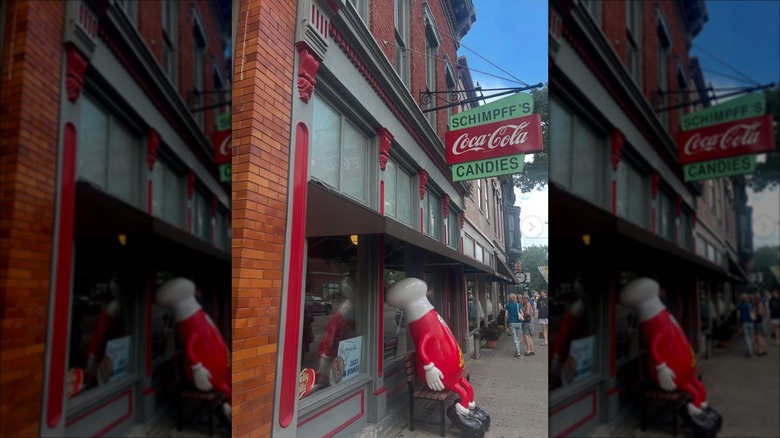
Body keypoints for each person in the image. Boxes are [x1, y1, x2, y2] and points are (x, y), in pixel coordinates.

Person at [387, 277, 490, 437]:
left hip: (449, 370)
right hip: (440, 373)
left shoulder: (430, 317)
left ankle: (468, 407)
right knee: (462, 390)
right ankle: (463, 410)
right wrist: (429, 368)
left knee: (467, 388)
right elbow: (422, 346)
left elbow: (439, 336)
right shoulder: (426, 319)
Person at [619, 278, 721, 436]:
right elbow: (654, 347)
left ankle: (701, 406)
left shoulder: (663, 320)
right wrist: (661, 368)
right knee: (693, 388)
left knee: (698, 387)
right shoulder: (659, 323)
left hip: (683, 371)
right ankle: (696, 409)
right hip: (674, 374)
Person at [155, 277, 231, 427]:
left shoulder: (199, 319)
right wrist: (197, 368)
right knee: (228, 388)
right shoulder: (194, 323)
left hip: (219, 373)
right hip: (209, 375)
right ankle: (226, 413)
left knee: (230, 387)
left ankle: (227, 411)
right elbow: (190, 346)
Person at [504, 294, 523, 358]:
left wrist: (505, 323)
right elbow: (521, 313)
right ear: (515, 298)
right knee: (518, 337)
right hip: (518, 322)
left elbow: (506, 315)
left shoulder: (507, 305)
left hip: (511, 323)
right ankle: (517, 351)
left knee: (514, 338)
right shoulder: (518, 305)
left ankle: (518, 352)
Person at [737, 293, 755, 358]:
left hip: (744, 322)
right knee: (751, 336)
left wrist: (738, 324)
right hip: (751, 322)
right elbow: (753, 313)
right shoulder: (751, 305)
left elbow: (738, 316)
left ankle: (750, 351)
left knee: (747, 337)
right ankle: (750, 349)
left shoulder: (740, 306)